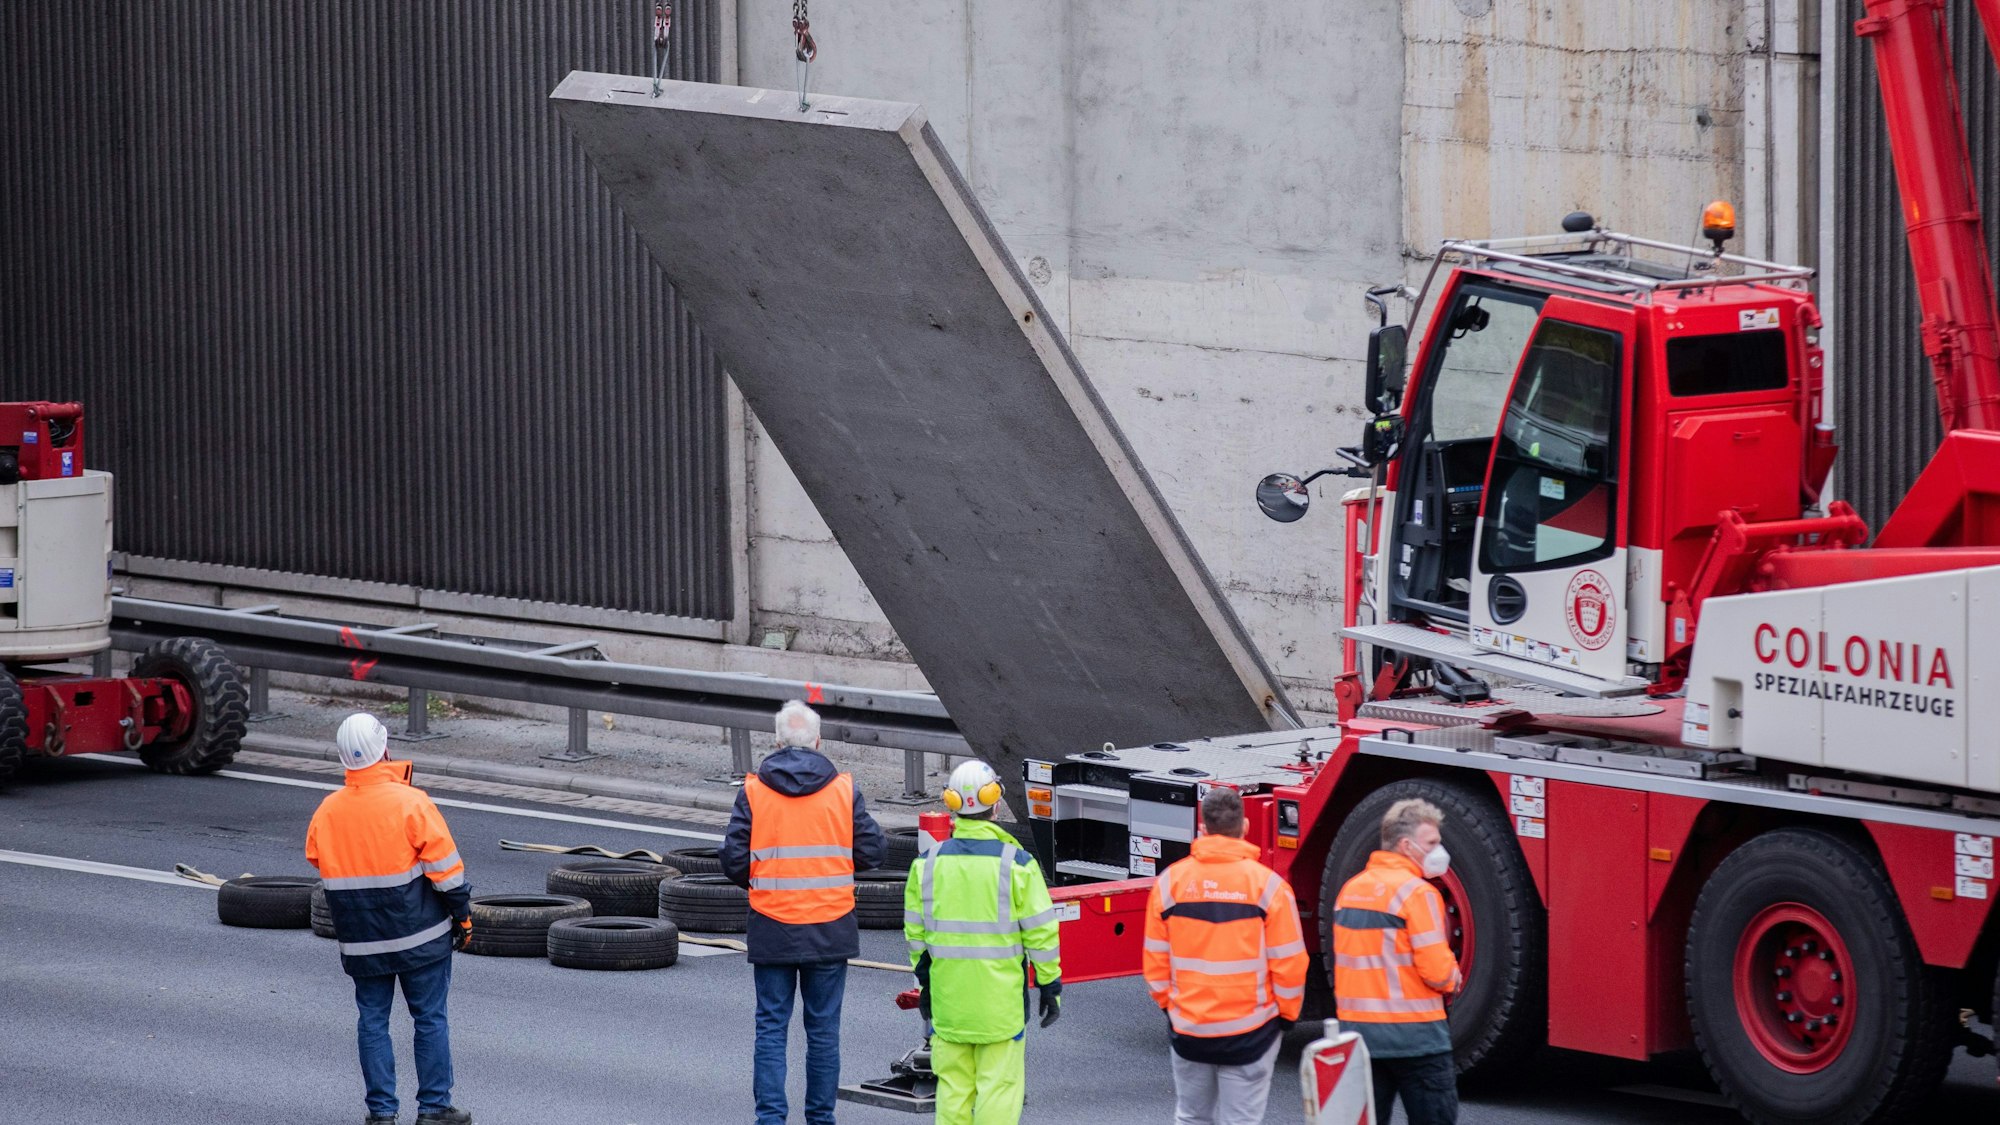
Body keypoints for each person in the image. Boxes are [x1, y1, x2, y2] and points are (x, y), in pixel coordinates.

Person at [721, 700, 887, 1125]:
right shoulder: (843, 790)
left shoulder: (754, 790)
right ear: (818, 741)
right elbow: (872, 852)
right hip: (830, 927)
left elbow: (734, 862)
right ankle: (820, 1119)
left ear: (777, 743)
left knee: (772, 1030)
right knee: (823, 1033)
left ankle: (771, 1119)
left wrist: (769, 881)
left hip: (773, 925)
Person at [305, 712, 474, 1125]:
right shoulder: (411, 801)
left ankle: (381, 1113)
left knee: (373, 1020)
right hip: (420, 934)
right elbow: (447, 871)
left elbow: (315, 857)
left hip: (362, 939)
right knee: (430, 1018)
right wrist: (463, 919)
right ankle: (434, 1109)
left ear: (345, 760)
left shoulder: (327, 811)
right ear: (385, 749)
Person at [903, 760, 1063, 1125]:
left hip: (950, 1005)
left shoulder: (926, 866)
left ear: (952, 804)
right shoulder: (1017, 864)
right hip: (1000, 1008)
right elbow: (1042, 934)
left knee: (954, 1092)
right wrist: (1050, 985)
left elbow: (916, 936)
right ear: (995, 802)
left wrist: (926, 982)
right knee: (998, 1089)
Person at [1143, 786, 1308, 1125]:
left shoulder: (1169, 884)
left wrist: (1171, 1009)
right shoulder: (1270, 888)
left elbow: (1155, 962)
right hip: (1252, 1032)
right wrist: (1286, 1017)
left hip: (1189, 1028)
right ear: (1245, 827)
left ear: (1202, 828)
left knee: (1191, 1117)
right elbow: (1290, 964)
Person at [1332, 797, 1463, 1125]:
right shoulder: (1418, 894)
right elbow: (1438, 972)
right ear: (1407, 845)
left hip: (1360, 1039)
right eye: (1432, 843)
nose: (1439, 850)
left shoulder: (1350, 890)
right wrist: (1453, 977)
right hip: (1417, 1041)